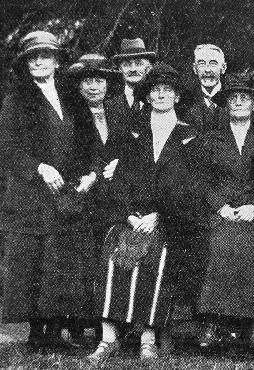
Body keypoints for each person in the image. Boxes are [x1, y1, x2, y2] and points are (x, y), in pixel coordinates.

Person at [88, 63, 203, 364]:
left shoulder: (190, 136)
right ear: (148, 96)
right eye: (155, 90)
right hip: (131, 215)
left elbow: (191, 188)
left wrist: (160, 217)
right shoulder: (132, 131)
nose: (161, 94)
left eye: (168, 90)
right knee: (116, 252)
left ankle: (147, 339)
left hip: (171, 221)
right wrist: (129, 215)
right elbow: (118, 179)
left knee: (155, 255)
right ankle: (108, 339)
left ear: (178, 96)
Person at [0, 30, 98, 351]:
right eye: (33, 57)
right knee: (34, 262)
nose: (40, 62)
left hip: (66, 194)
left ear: (57, 61)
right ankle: (37, 333)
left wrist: (90, 173)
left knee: (62, 261)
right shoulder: (16, 99)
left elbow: (88, 142)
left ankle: (56, 330)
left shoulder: (71, 95)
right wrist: (39, 167)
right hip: (31, 196)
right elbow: (8, 147)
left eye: (46, 56)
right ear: (26, 63)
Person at [195, 73, 254, 351]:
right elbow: (202, 179)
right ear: (226, 104)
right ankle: (213, 322)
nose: (238, 102)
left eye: (244, 98)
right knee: (218, 244)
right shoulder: (211, 139)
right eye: (233, 98)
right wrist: (220, 205)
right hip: (221, 210)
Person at [67, 53, 132, 339]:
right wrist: (90, 174)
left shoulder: (118, 111)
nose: (94, 86)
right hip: (83, 195)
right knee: (84, 259)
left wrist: (120, 162)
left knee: (109, 257)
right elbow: (70, 156)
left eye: (99, 80)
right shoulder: (71, 114)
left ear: (107, 83)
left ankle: (111, 321)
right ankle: (82, 323)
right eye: (88, 81)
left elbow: (129, 147)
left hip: (113, 197)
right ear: (79, 86)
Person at [106, 38, 156, 132]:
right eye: (127, 64)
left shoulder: (159, 101)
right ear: (120, 69)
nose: (133, 69)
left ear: (148, 68)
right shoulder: (108, 105)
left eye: (138, 64)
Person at [184, 44, 228, 133]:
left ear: (223, 68)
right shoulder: (185, 101)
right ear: (195, 69)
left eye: (213, 64)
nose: (207, 70)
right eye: (202, 64)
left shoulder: (232, 99)